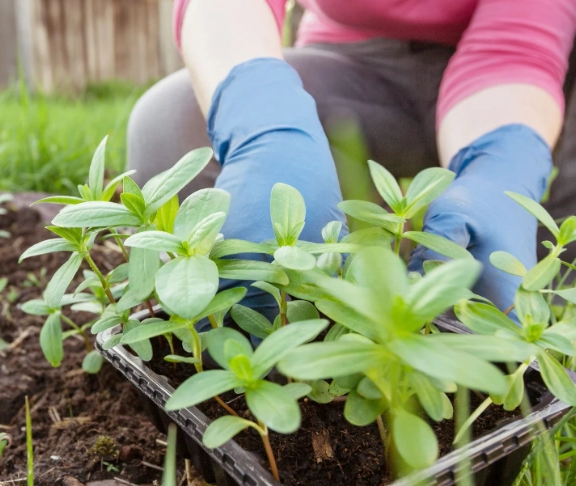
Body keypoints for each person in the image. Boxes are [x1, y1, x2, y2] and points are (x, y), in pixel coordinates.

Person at [127, 0, 576, 318]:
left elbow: (515, 46)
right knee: (172, 122)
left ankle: (548, 290)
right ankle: (307, 314)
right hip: (358, 62)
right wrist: (263, 123)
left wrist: (499, 168)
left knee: (500, 238)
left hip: (524, 77)